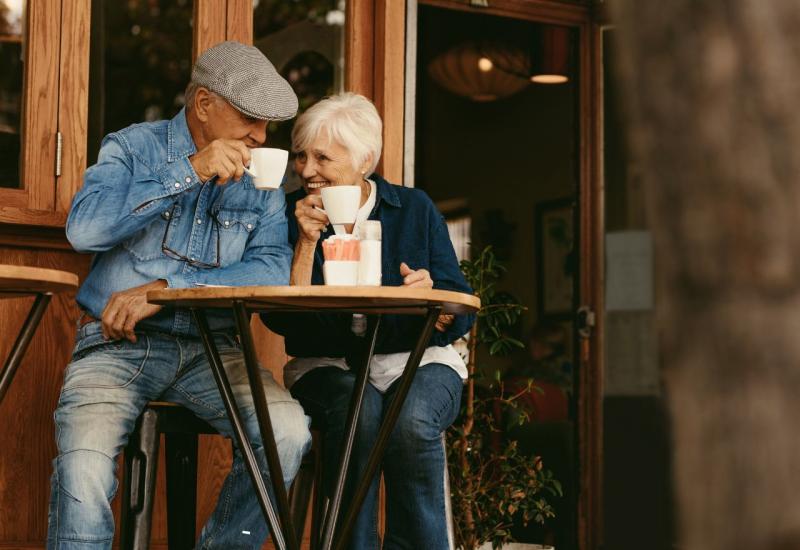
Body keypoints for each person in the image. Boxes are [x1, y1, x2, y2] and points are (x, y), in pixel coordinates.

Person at [49, 41, 311, 549]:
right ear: (204, 104)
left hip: (215, 350)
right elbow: (84, 231)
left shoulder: (263, 179)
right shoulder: (132, 147)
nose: (261, 136)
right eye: (250, 120)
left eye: (267, 126)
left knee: (288, 434)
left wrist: (171, 291)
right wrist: (189, 169)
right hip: (116, 346)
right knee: (83, 470)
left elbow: (272, 265)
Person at [262, 92, 475, 549]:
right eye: (300, 155)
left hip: (416, 362)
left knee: (412, 419)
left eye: (321, 156)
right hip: (328, 366)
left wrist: (431, 297)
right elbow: (282, 321)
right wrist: (303, 245)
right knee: (357, 414)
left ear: (364, 159)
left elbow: (460, 304)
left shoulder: (413, 209)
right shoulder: (288, 214)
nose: (305, 169)